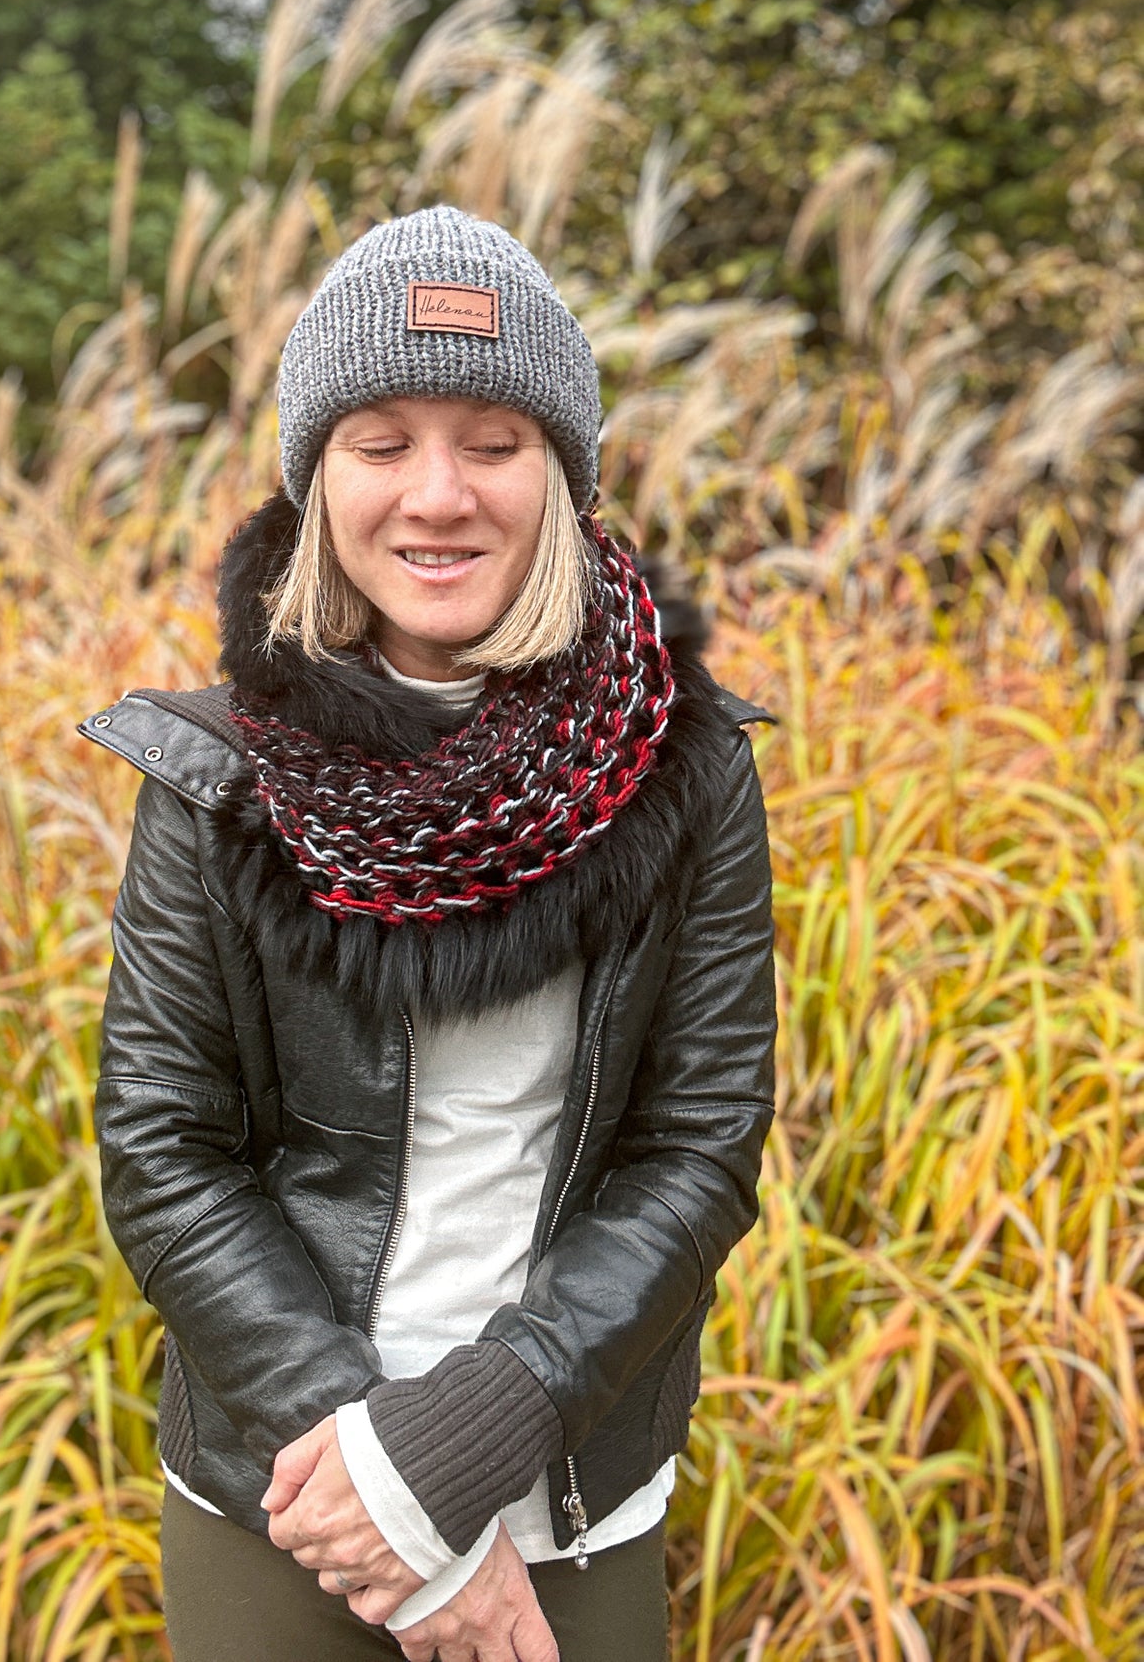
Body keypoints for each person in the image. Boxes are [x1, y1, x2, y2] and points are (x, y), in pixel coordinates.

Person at [77, 204, 779, 1661]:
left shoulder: (690, 768)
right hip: (286, 1491)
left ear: (566, 476)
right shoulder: (217, 778)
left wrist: (458, 1447)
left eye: (493, 440)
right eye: (380, 442)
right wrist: (381, 1492)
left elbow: (697, 1148)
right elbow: (166, 1148)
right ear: (317, 478)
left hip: (567, 1486)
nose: (437, 495)